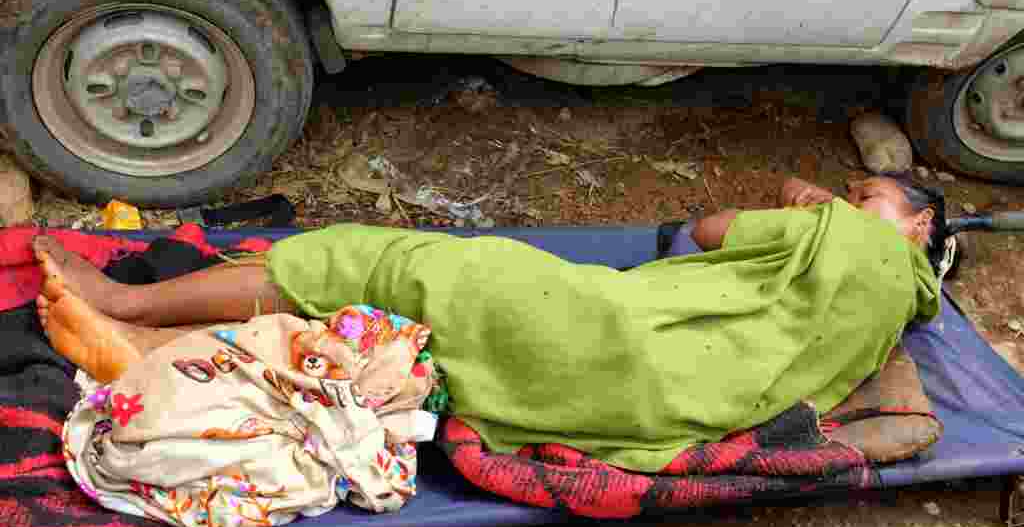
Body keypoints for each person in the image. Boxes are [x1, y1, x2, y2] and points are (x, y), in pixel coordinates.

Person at [35, 173, 945, 476]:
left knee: (392, 261)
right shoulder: (899, 306)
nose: (850, 199)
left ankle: (133, 305)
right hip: (661, 413)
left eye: (871, 194)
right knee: (403, 334)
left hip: (614, 336)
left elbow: (702, 234)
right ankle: (176, 346)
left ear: (918, 224)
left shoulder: (852, 236)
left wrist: (818, 202)